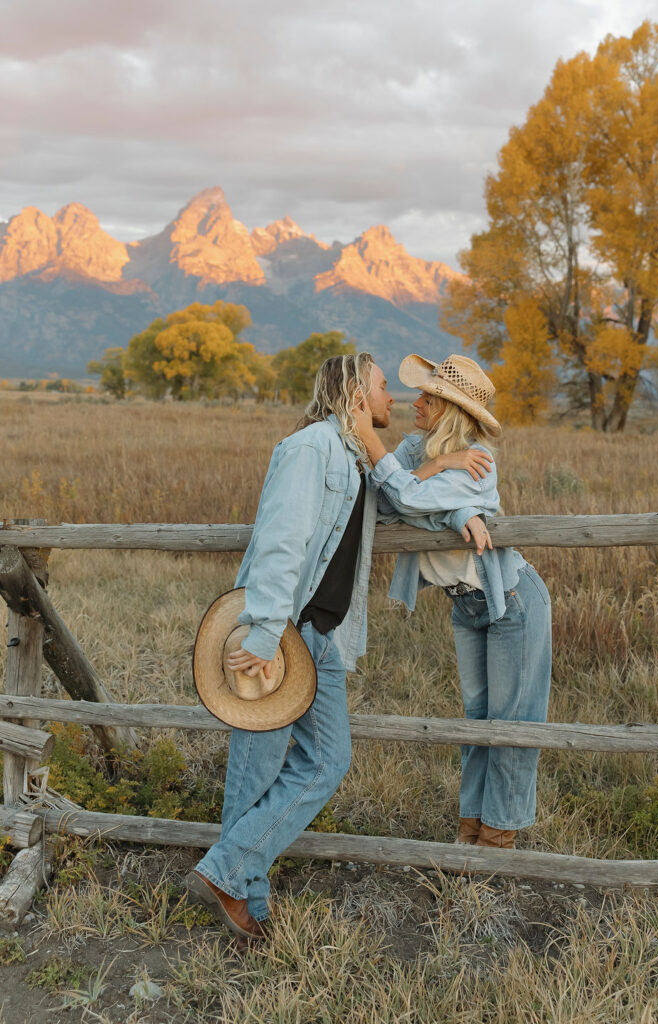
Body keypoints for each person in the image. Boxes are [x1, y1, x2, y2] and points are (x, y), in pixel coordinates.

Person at [186, 352, 486, 946]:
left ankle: (228, 873)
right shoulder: (310, 450)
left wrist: (457, 490)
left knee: (326, 761)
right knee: (256, 769)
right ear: (354, 397)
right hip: (283, 634)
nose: (391, 398)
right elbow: (281, 542)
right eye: (381, 387)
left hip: (318, 639)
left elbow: (405, 492)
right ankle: (248, 900)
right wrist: (266, 633)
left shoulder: (354, 458)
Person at [354, 353, 552, 850]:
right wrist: (442, 476)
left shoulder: (479, 460)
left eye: (428, 397)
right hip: (466, 605)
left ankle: (498, 837)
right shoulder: (419, 450)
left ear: (449, 409)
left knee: (509, 724)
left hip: (511, 600)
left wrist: (441, 493)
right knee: (476, 721)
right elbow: (381, 502)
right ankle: (471, 828)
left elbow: (409, 500)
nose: (415, 402)